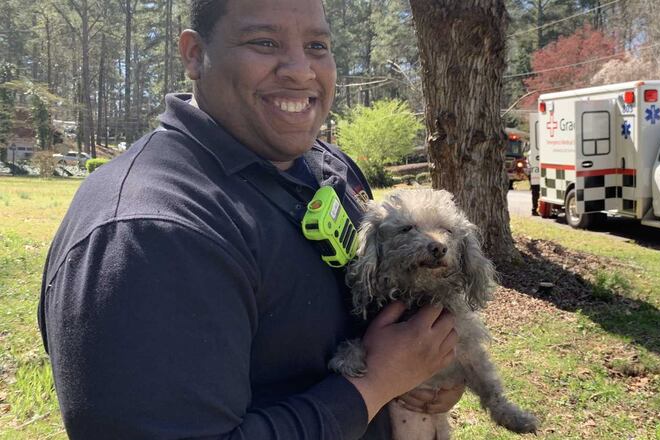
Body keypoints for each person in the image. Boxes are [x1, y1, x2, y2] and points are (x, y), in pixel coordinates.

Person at [38, 0, 463, 438]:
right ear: (194, 54)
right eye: (265, 42)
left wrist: (428, 369)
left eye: (317, 45)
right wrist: (374, 385)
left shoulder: (329, 166)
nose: (301, 71)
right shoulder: (147, 232)